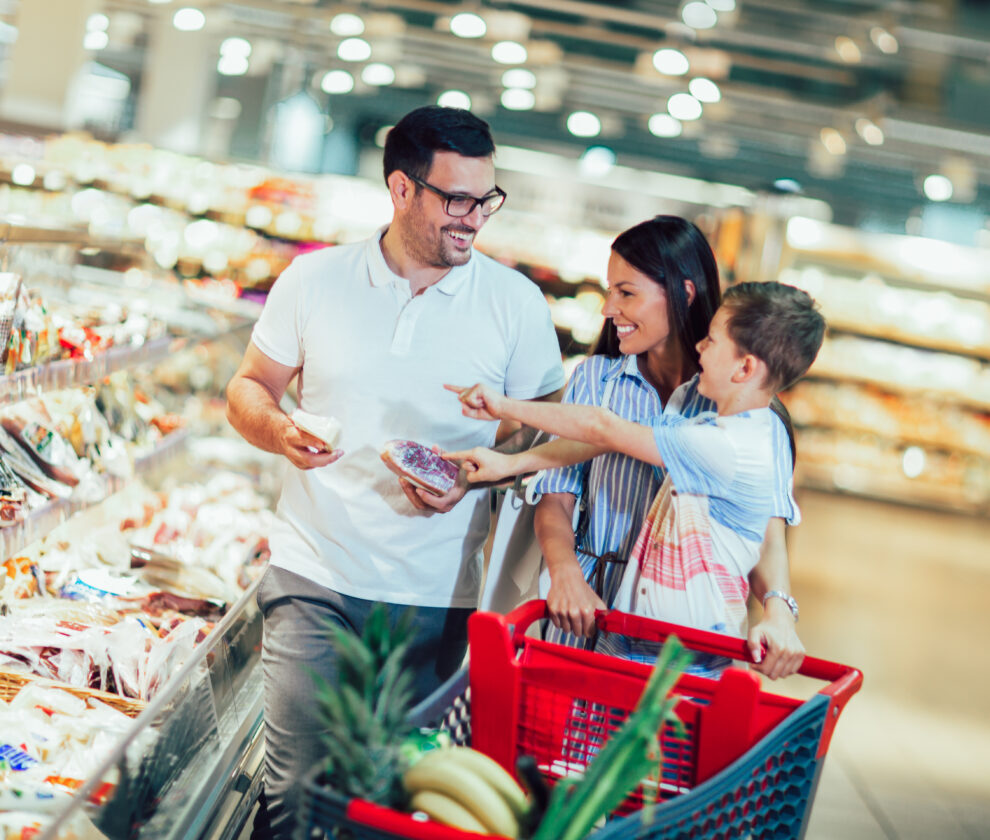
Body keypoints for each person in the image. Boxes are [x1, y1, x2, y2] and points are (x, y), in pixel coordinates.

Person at [225, 105, 565, 840]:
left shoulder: (516, 306)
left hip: (438, 596)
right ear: (402, 189)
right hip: (313, 575)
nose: (474, 219)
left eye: (486, 200)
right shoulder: (314, 280)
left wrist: (479, 475)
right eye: (456, 199)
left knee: (388, 800)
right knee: (295, 791)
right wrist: (282, 432)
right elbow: (248, 387)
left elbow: (542, 434)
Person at [446, 281, 826, 675]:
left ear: (745, 367)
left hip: (671, 665)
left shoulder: (722, 446)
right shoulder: (723, 427)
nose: (699, 347)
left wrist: (503, 405)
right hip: (647, 644)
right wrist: (509, 464)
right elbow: (607, 441)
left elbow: (602, 428)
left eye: (712, 342)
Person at [504, 216, 803, 678]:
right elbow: (556, 496)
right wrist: (565, 574)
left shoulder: (751, 419)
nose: (608, 308)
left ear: (683, 293)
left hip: (678, 642)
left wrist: (779, 611)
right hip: (582, 613)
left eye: (626, 293)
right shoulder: (596, 379)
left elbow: (765, 534)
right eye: (610, 291)